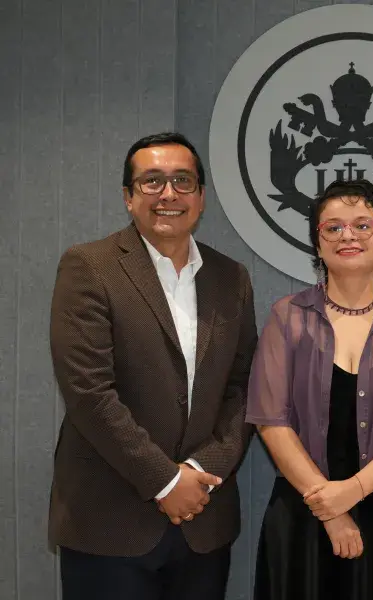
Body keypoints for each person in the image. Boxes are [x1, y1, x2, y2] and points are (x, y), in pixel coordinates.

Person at [49, 132, 258, 600]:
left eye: (183, 181)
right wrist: (164, 481)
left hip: (204, 519)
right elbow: (89, 392)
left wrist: (201, 470)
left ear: (202, 197)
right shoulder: (90, 266)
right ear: (128, 197)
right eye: (151, 182)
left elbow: (245, 388)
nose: (169, 194)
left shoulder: (232, 278)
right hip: (108, 521)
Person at [246, 179, 373, 600]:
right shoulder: (287, 317)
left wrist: (351, 493)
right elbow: (271, 422)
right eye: (333, 228)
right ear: (317, 245)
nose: (348, 236)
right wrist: (330, 510)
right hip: (304, 513)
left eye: (361, 225)